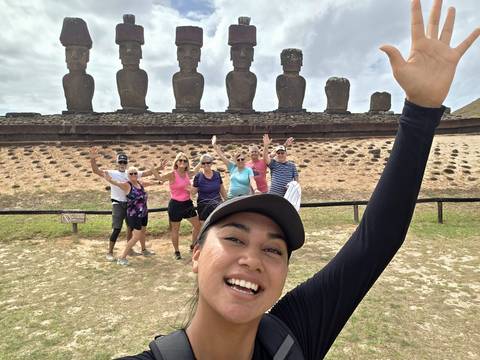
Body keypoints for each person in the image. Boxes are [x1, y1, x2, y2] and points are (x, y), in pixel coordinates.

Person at [119, 1, 479, 358]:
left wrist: (422, 110)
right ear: (196, 253)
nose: (252, 259)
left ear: (285, 273)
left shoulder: (293, 338)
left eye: (274, 249)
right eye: (234, 237)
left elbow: (377, 241)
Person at [90, 147, 155, 261]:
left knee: (130, 228)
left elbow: (147, 173)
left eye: (124, 162)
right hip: (118, 204)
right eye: (120, 161)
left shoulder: (131, 173)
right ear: (117, 162)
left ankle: (130, 250)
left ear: (127, 163)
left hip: (130, 206)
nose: (122, 164)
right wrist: (92, 159)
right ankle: (110, 252)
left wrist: (158, 168)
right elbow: (96, 170)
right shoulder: (111, 172)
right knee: (117, 228)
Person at [103, 164, 165, 266]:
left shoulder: (140, 183)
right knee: (136, 236)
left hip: (143, 212)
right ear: (128, 175)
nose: (133, 175)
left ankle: (144, 250)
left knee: (143, 232)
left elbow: (152, 183)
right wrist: (109, 180)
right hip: (134, 214)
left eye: (135, 173)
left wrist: (159, 181)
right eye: (130, 173)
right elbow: (116, 183)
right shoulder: (127, 185)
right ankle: (122, 257)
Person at [153, 153, 201, 260]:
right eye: (180, 160)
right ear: (176, 162)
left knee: (198, 226)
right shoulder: (172, 174)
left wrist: (201, 162)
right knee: (175, 229)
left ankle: (193, 245)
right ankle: (177, 251)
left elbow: (196, 170)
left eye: (184, 161)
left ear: (187, 163)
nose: (182, 162)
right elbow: (159, 177)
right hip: (175, 205)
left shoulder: (188, 173)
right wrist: (155, 168)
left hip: (187, 204)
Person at [191, 153, 227, 223]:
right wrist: (189, 186)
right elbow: (193, 192)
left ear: (211, 163)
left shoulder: (217, 174)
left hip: (217, 205)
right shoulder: (198, 176)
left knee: (218, 226)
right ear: (201, 164)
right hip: (203, 206)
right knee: (204, 228)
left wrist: (227, 201)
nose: (206, 165)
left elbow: (222, 190)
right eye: (203, 163)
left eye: (208, 162)